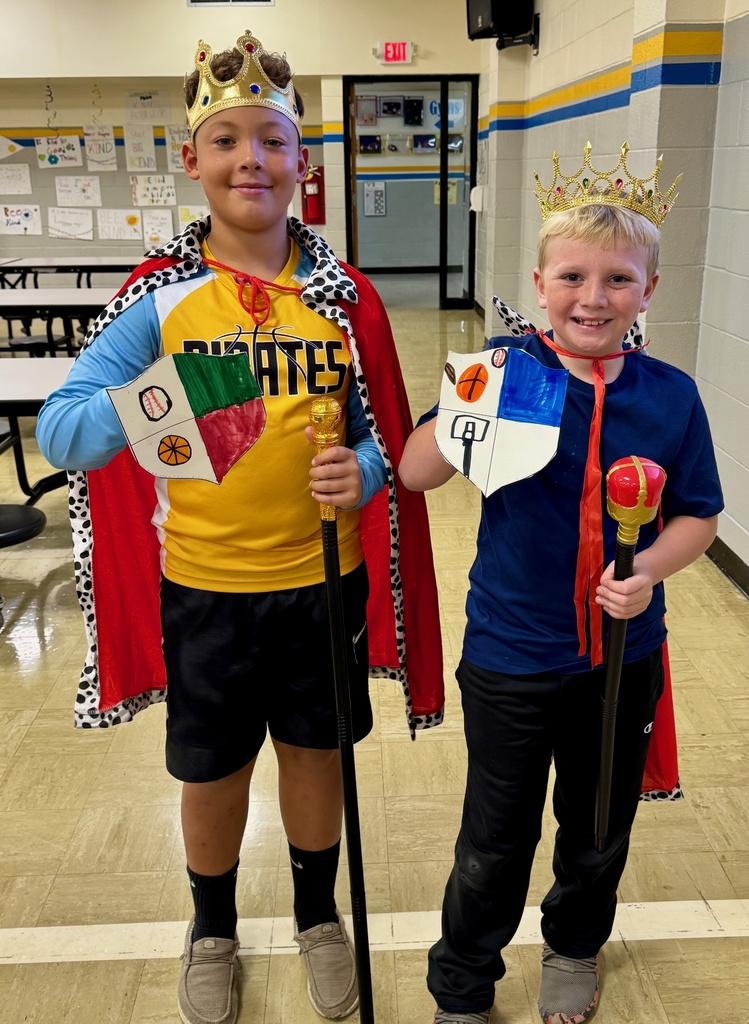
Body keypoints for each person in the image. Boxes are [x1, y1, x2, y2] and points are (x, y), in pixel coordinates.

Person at [36, 30, 443, 1024]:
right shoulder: (159, 301)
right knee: (212, 769)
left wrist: (368, 471)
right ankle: (210, 927)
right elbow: (64, 430)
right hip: (207, 588)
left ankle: (316, 917)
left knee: (315, 756)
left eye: (271, 139)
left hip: (321, 579)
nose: (249, 161)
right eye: (227, 142)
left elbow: (383, 436)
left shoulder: (341, 300)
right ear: (193, 160)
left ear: (302, 162)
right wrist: (186, 391)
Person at [398, 142, 723, 1024]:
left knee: (594, 829)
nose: (593, 298)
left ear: (646, 291)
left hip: (621, 658)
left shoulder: (670, 396)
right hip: (510, 654)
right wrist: (469, 398)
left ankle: (573, 947)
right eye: (572, 277)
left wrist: (650, 571)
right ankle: (463, 980)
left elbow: (698, 514)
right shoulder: (507, 374)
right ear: (539, 284)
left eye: (617, 280)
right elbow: (417, 471)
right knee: (493, 841)